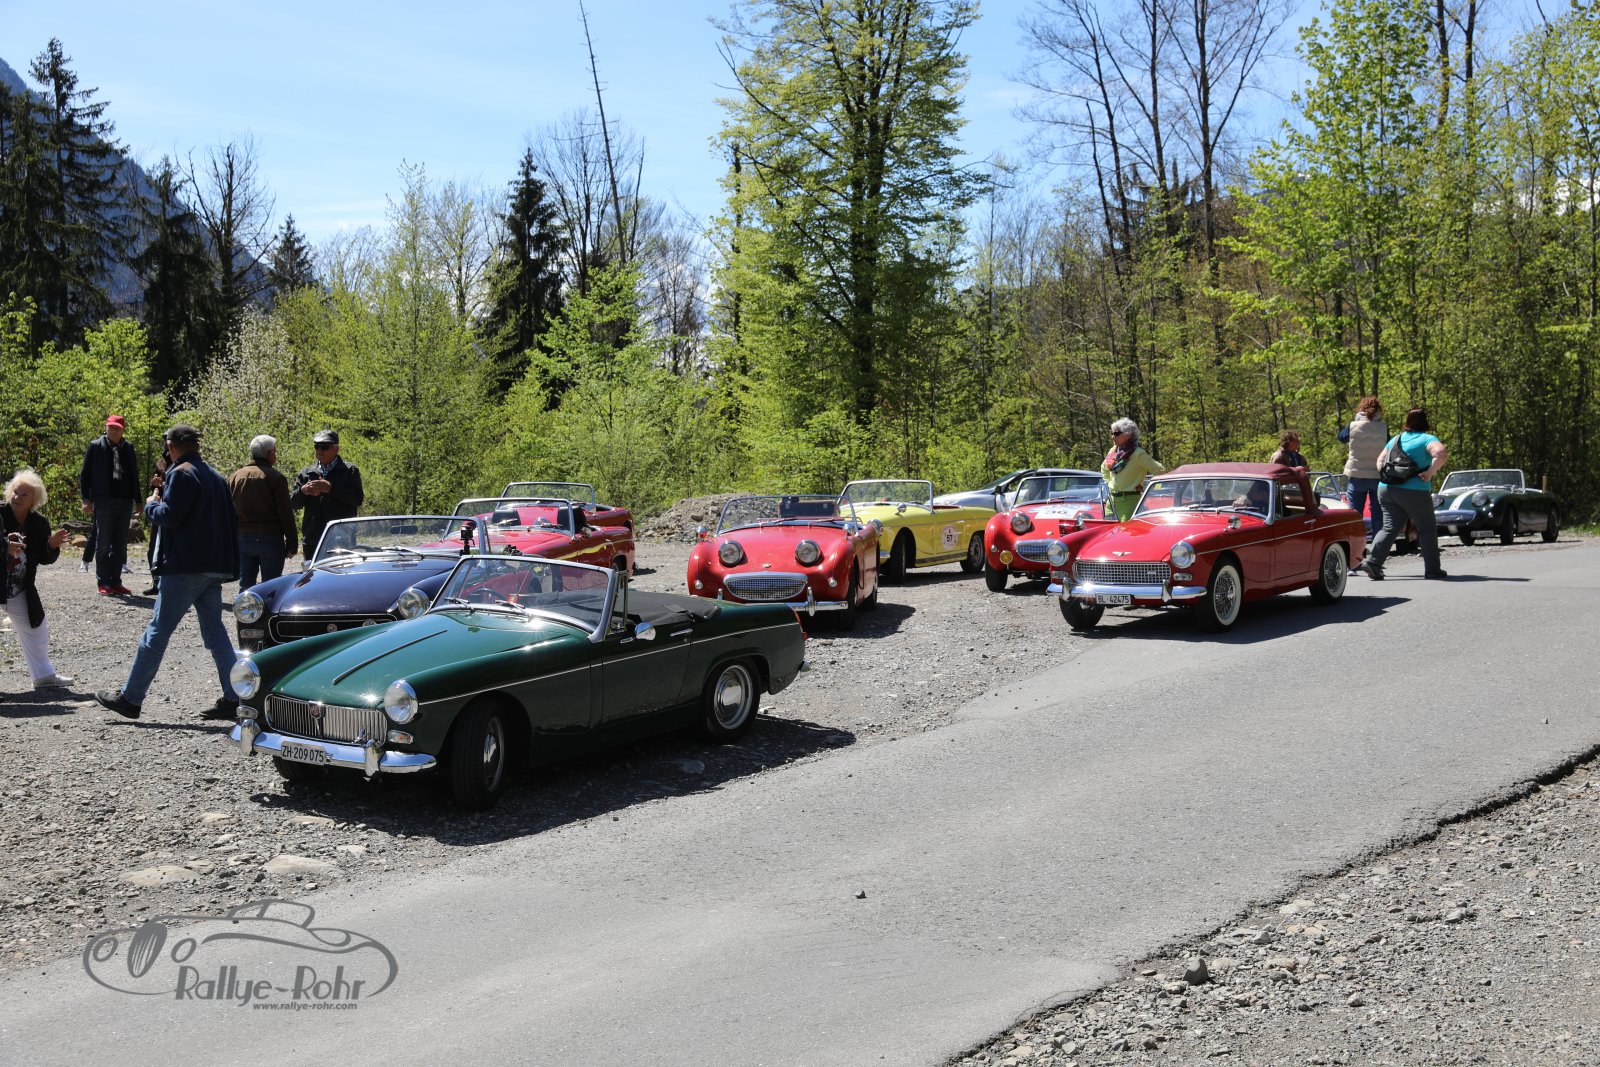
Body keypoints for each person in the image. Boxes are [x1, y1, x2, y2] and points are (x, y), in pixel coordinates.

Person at [95, 424, 241, 722]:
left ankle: (131, 698)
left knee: (158, 631)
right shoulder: (215, 476)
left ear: (172, 446)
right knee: (216, 634)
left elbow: (170, 516)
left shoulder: (182, 473)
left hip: (185, 566)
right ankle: (235, 697)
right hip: (213, 566)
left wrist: (152, 506)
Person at [2, 470, 74, 690]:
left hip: (18, 586)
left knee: (36, 627)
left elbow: (44, 558)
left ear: (34, 499)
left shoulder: (39, 523)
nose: (17, 497)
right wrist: (5, 547)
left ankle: (43, 676)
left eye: (24, 494)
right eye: (15, 492)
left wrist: (51, 545)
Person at [1359, 408, 1449, 581]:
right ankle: (1433, 570)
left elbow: (1380, 460)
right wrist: (1430, 472)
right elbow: (1441, 453)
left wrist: (1387, 474)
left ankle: (1373, 563)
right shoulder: (1427, 439)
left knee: (1389, 527)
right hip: (1414, 490)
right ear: (1425, 422)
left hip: (1386, 489)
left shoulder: (1396, 439)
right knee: (1427, 528)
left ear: (1407, 422)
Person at [79, 414, 140, 596]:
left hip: (125, 500)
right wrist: (85, 499)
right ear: (106, 427)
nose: (113, 431)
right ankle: (103, 581)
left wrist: (138, 501)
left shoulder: (128, 448)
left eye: (117, 428)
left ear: (123, 430)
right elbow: (85, 474)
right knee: (103, 542)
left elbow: (134, 475)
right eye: (111, 427)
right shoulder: (95, 446)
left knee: (120, 544)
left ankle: (116, 581)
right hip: (103, 500)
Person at [228, 435, 298, 589]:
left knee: (246, 587)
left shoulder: (235, 476)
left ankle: (246, 605)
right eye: (275, 451)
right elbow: (285, 513)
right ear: (270, 454)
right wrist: (292, 543)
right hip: (270, 539)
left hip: (243, 538)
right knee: (271, 587)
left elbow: (228, 510)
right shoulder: (276, 477)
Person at [290, 430, 364, 557]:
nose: (319, 451)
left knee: (341, 570)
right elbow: (292, 503)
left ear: (336, 449)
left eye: (324, 447)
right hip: (313, 539)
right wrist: (303, 491)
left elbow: (357, 499)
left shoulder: (349, 471)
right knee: (313, 571)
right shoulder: (306, 473)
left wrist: (331, 489)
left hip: (342, 538)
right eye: (316, 447)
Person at [1101, 418, 1165, 521]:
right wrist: (1109, 484)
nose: (1113, 436)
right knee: (1108, 531)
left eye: (1116, 434)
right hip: (1111, 503)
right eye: (1112, 433)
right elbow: (1104, 468)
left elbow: (1161, 471)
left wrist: (1148, 488)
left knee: (1125, 531)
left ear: (1128, 435)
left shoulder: (1138, 454)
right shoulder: (1113, 451)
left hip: (1130, 502)